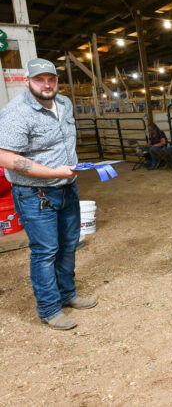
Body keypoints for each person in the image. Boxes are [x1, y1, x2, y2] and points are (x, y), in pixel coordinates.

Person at [0, 58, 97, 330]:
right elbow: (5, 157)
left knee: (68, 244)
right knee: (45, 251)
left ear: (56, 81)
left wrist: (69, 170)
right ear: (27, 81)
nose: (46, 84)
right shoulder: (16, 112)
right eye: (39, 79)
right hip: (35, 194)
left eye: (51, 79)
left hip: (67, 188)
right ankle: (49, 309)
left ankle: (67, 294)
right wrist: (54, 172)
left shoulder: (64, 104)